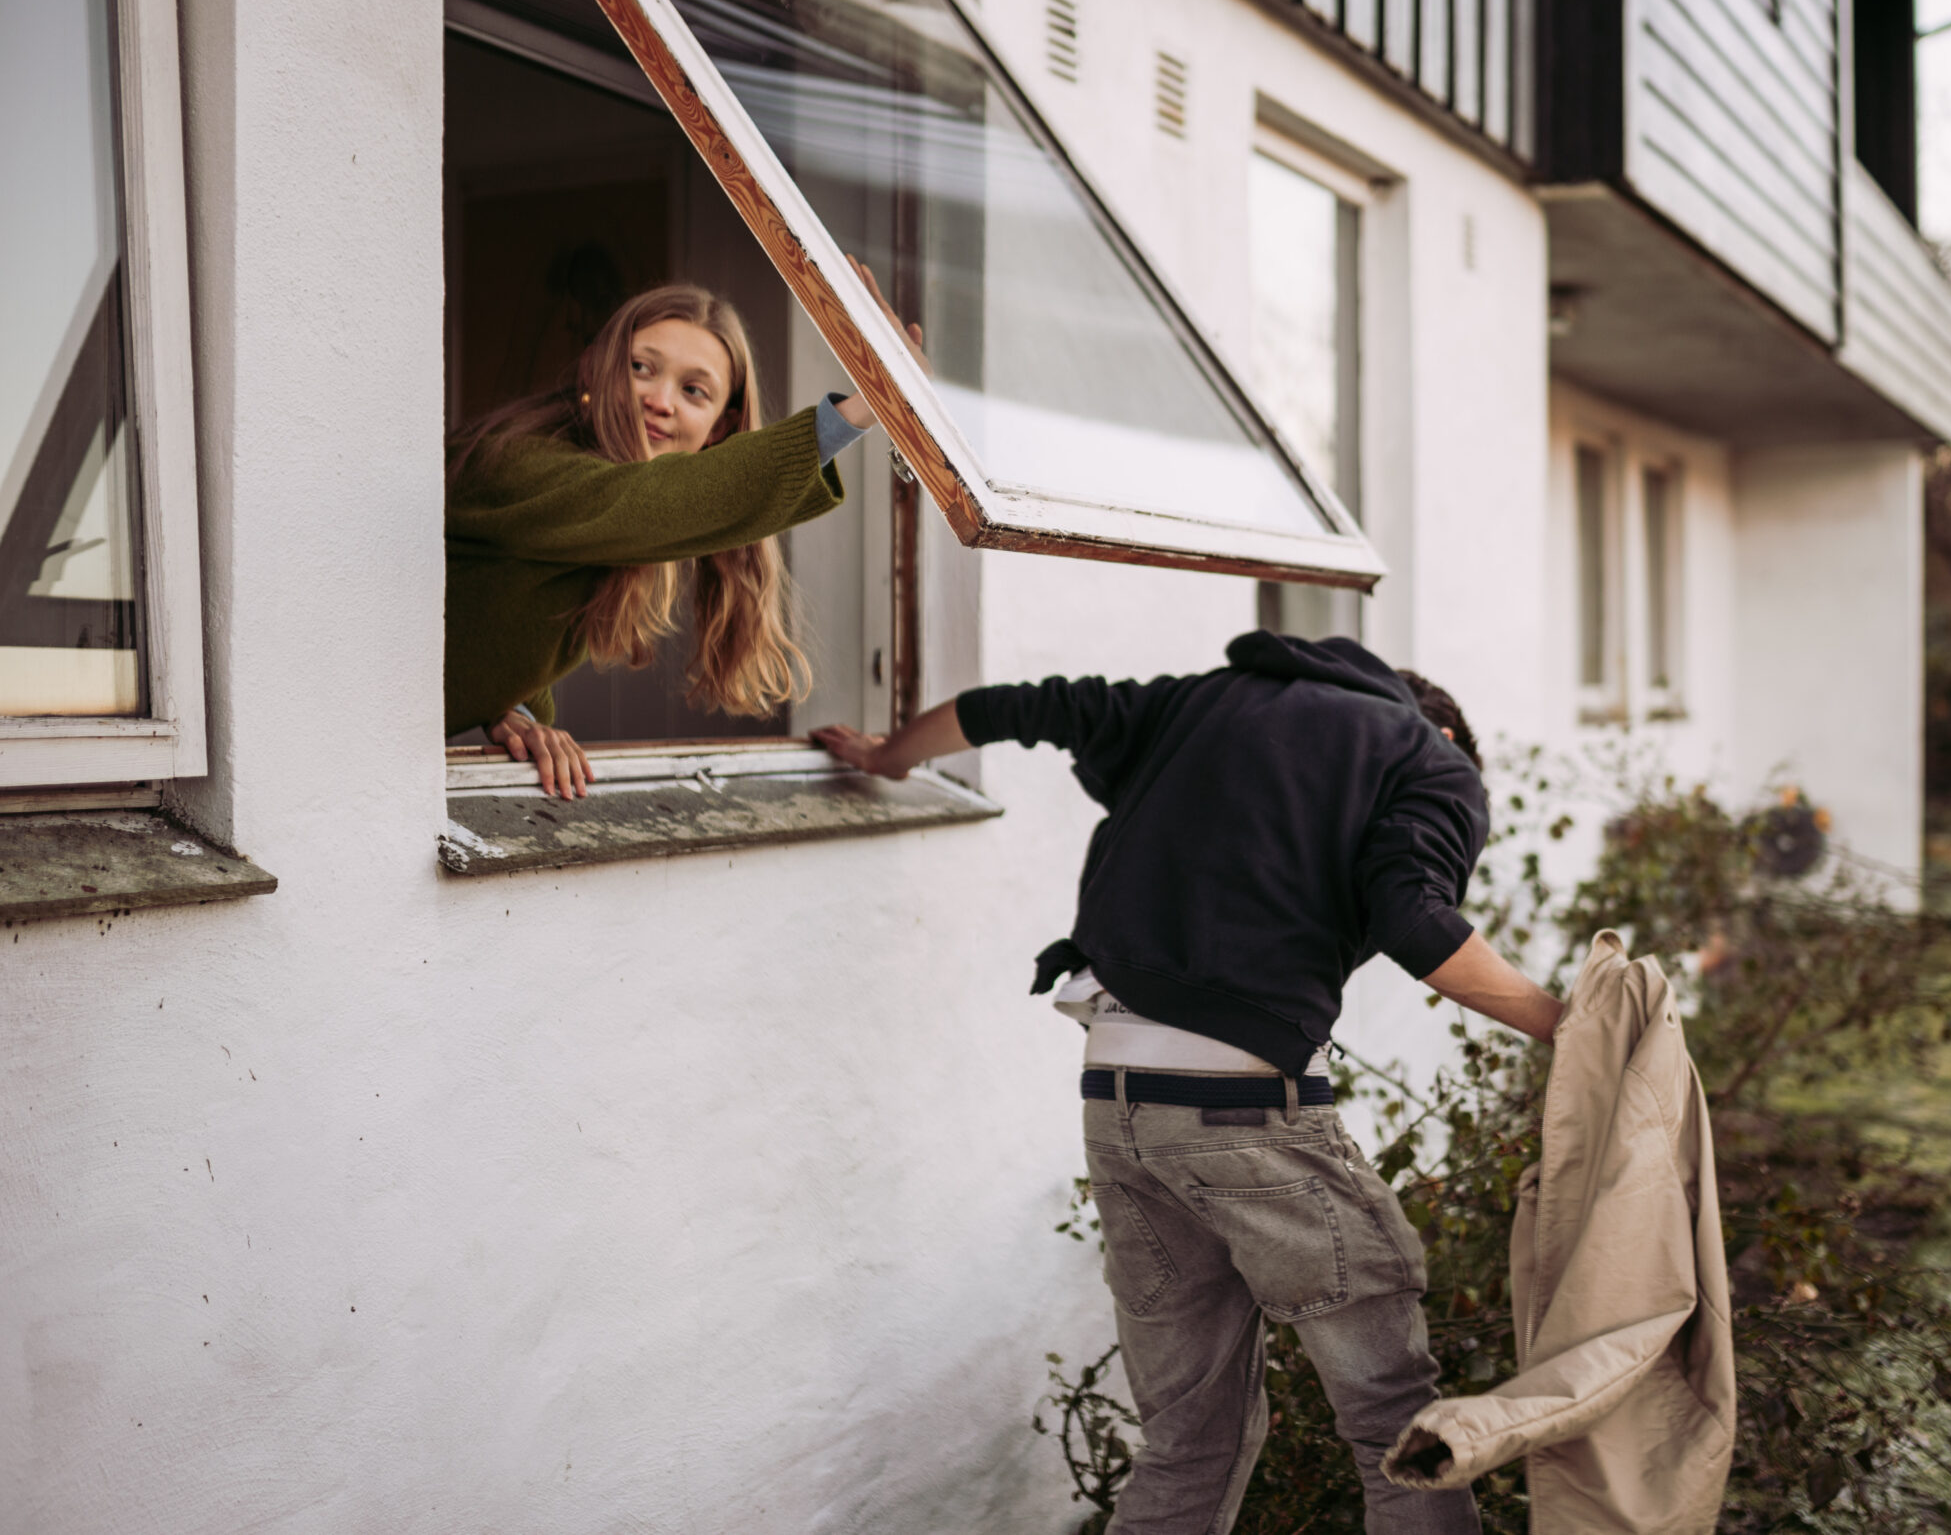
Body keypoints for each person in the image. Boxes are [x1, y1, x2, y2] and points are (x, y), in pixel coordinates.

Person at [816, 633, 1565, 1535]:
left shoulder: (1197, 700)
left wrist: (884, 754)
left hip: (1118, 1103)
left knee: (1187, 1439)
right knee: (1397, 1425)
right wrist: (1571, 1024)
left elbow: (1012, 706)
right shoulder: (1427, 760)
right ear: (1447, 733)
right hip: (1244, 1108)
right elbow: (1415, 917)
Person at [444, 277, 917, 797]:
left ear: (720, 428)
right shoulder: (515, 465)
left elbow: (509, 607)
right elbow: (645, 503)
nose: (660, 400)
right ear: (593, 369)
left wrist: (517, 709)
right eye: (640, 367)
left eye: (694, 390)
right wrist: (855, 413)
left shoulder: (591, 509)